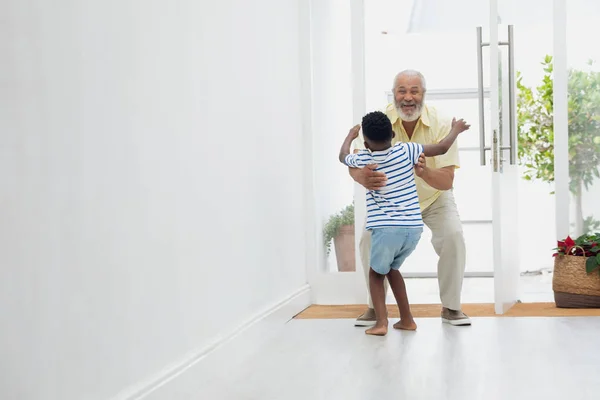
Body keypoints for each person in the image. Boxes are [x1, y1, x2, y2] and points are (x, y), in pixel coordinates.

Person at [349, 69, 472, 326]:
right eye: (402, 91)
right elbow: (354, 162)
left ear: (423, 94)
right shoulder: (377, 122)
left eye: (414, 91)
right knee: (367, 240)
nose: (408, 97)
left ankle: (451, 307)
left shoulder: (441, 122)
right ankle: (375, 308)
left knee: (453, 236)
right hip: (390, 202)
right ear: (394, 95)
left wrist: (425, 172)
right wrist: (361, 176)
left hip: (433, 198)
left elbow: (447, 181)